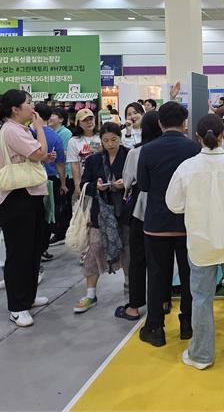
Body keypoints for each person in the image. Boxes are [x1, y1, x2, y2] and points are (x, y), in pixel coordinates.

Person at [167, 114, 224, 369]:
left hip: (200, 243)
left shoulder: (187, 167)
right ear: (222, 135)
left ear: (197, 137)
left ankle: (201, 355)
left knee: (201, 298)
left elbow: (174, 204)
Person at [137, 102, 201, 347]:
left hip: (157, 223)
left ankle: (155, 328)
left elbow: (143, 185)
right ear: (185, 123)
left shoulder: (148, 150)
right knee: (189, 275)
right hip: (188, 223)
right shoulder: (194, 148)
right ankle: (188, 324)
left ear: (160, 123)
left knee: (156, 275)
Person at [0, 90, 52, 327]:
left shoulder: (20, 129)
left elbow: (36, 156)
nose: (32, 106)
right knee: (19, 253)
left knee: (32, 249)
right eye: (28, 103)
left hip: (29, 193)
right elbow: (40, 153)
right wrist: (39, 128)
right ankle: (17, 307)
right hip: (16, 198)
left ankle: (28, 296)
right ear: (15, 109)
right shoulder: (13, 130)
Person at [73, 122, 129, 314]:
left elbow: (139, 181)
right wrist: (95, 186)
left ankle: (130, 284)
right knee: (94, 249)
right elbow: (84, 185)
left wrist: (126, 183)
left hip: (124, 212)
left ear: (120, 138)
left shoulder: (130, 156)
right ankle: (90, 294)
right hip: (100, 213)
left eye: (114, 139)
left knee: (127, 249)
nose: (110, 144)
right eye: (106, 140)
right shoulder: (93, 160)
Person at [117, 111, 167, 322]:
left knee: (138, 258)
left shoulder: (136, 152)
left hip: (141, 209)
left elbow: (127, 181)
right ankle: (163, 301)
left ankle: (134, 307)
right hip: (167, 209)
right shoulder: (173, 149)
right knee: (163, 259)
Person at [33, 103, 65, 262]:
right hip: (51, 179)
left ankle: (34, 249)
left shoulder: (29, 134)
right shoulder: (55, 136)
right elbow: (60, 163)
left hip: (32, 180)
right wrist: (63, 183)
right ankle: (43, 248)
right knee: (48, 215)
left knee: (35, 216)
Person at [48, 107, 73, 246]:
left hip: (65, 174)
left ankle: (62, 232)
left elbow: (64, 155)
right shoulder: (52, 132)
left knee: (63, 205)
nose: (50, 117)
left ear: (61, 119)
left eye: (53, 115)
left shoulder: (65, 133)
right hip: (55, 173)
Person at [66, 108, 102, 201]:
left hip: (101, 178)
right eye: (85, 120)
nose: (89, 122)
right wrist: (77, 185)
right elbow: (74, 164)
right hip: (85, 180)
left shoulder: (101, 136)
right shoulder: (74, 141)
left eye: (91, 119)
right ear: (78, 123)